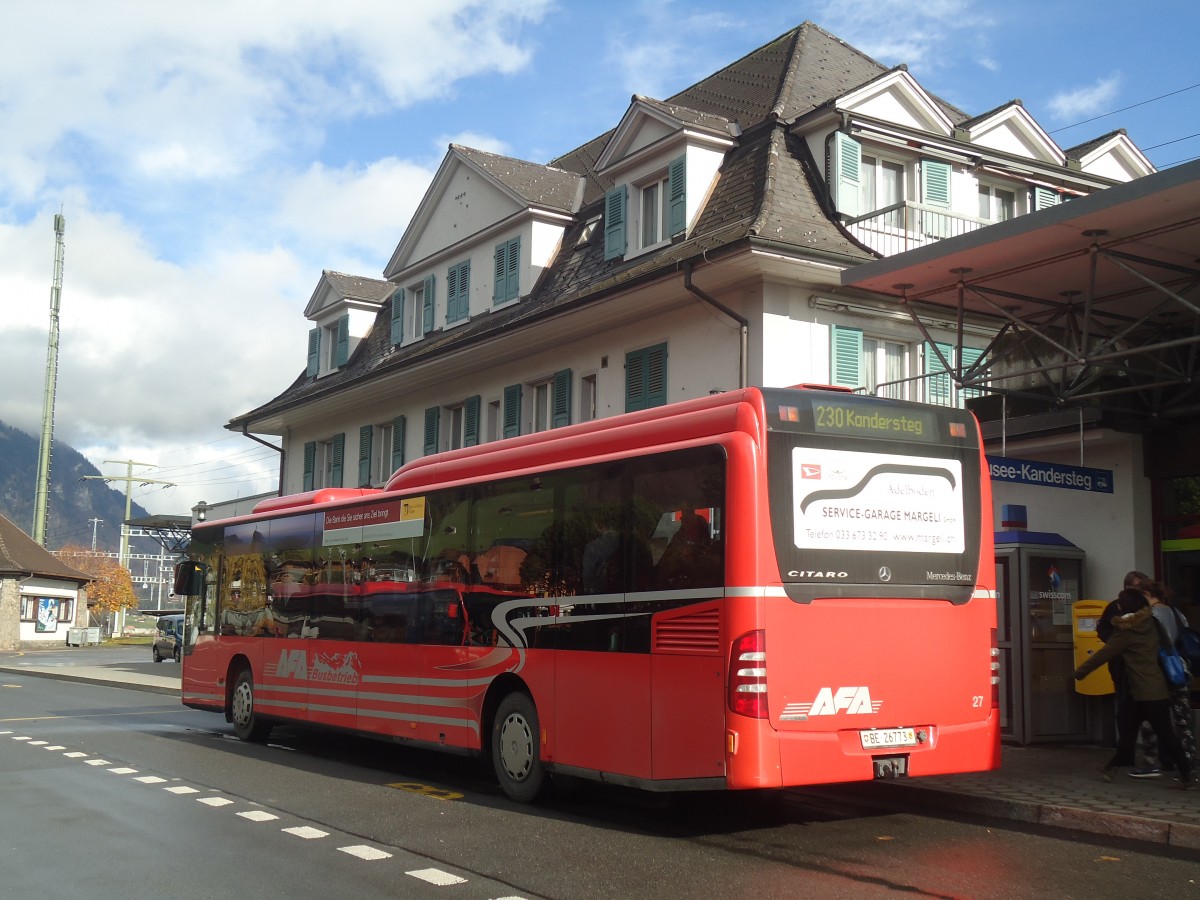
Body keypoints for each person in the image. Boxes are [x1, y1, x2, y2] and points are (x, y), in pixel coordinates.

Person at [1074, 589, 1196, 789]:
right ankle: (1112, 767)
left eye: (1120, 603)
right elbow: (1166, 647)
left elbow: (1104, 653)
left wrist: (1079, 673)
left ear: (1125, 606)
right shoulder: (1152, 622)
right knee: (1128, 727)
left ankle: (1186, 776)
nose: (1118, 606)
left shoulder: (1127, 630)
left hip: (1146, 692)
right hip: (1149, 688)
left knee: (1163, 732)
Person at [1131, 580, 1197, 779]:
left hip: (1159, 672)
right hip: (1179, 671)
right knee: (1183, 720)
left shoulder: (1150, 616)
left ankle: (1152, 762)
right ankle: (1187, 763)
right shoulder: (1177, 613)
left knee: (1151, 718)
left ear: (1146, 594)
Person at [1096, 570, 1147, 751]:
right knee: (1125, 705)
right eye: (1138, 587)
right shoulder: (1115, 607)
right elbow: (1102, 630)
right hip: (1121, 664)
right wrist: (1117, 643)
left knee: (1148, 708)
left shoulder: (1148, 608)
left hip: (1144, 666)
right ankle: (1126, 750)